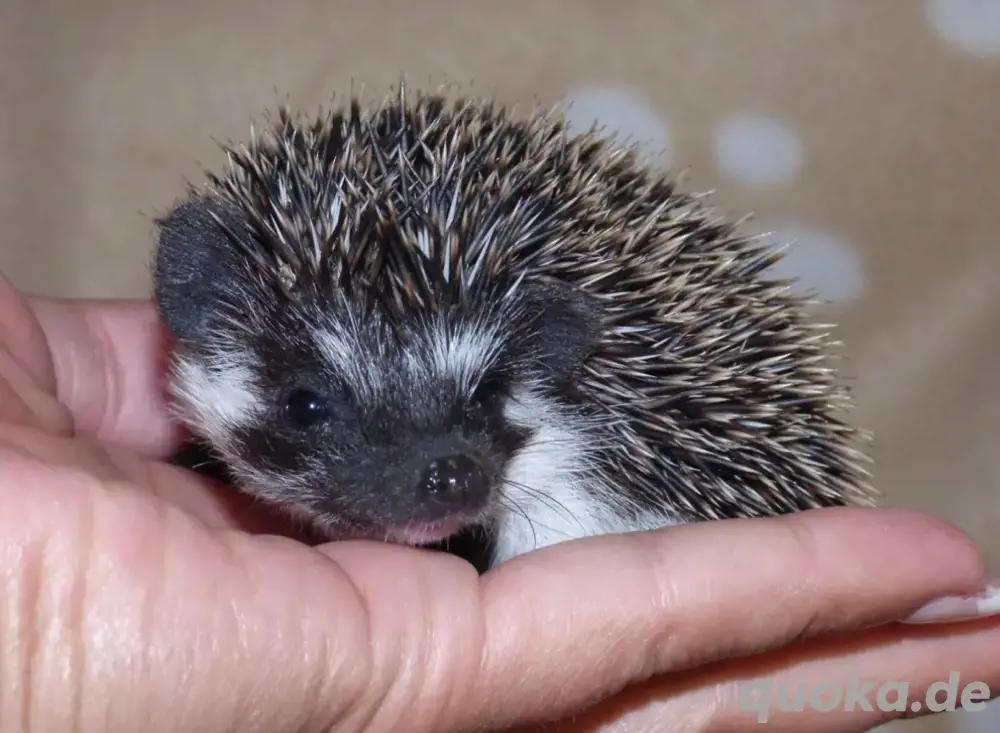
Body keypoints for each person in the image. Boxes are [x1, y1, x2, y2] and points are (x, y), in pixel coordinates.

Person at [0, 270, 996, 732]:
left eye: (475, 401)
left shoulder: (591, 455)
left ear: (544, 370)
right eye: (311, 406)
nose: (434, 472)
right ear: (203, 353)